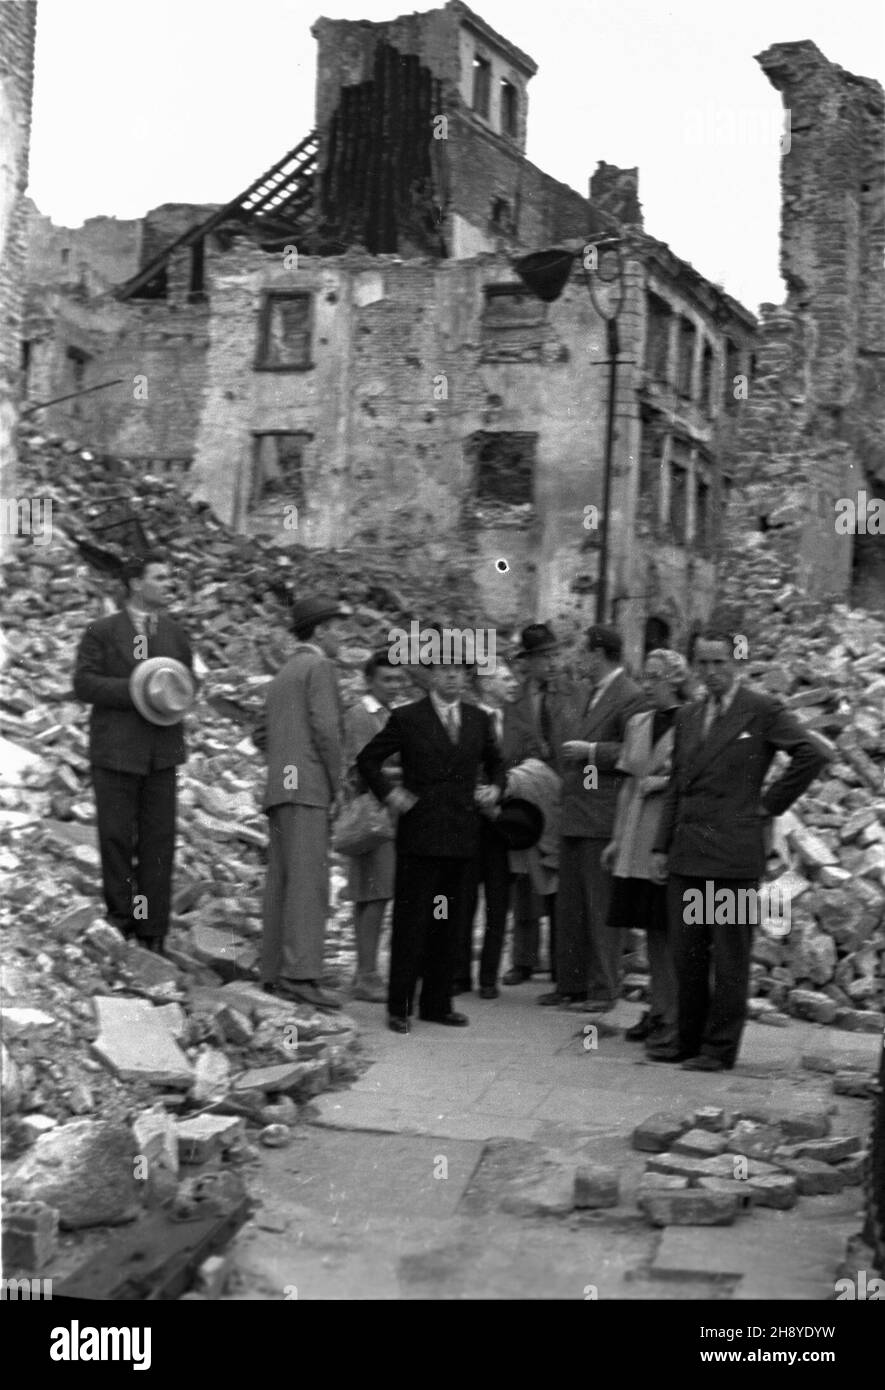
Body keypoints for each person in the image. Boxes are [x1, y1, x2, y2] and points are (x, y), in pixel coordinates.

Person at [650, 628, 831, 1070]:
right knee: (687, 953)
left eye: (720, 663)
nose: (711, 672)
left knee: (729, 957)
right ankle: (687, 1041)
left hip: (733, 855)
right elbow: (677, 784)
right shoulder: (690, 715)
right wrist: (661, 846)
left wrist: (767, 806)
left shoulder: (761, 709)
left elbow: (813, 754)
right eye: (704, 663)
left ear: (737, 663)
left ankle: (719, 1048)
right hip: (689, 852)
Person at [357, 651, 504, 1033]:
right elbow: (368, 760)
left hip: (460, 837)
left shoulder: (478, 719)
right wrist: (391, 795)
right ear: (431, 677)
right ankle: (400, 1006)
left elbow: (497, 762)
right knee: (412, 922)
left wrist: (495, 788)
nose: (452, 678)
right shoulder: (408, 717)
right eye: (444, 671)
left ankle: (437, 1004)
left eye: (459, 672)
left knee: (449, 923)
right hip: (420, 838)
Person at [73, 554, 195, 954]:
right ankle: (121, 918)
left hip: (161, 753)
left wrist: (171, 695)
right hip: (116, 751)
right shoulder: (103, 631)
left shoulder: (176, 634)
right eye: (160, 576)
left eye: (170, 576)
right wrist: (137, 690)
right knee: (116, 837)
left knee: (159, 842)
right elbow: (84, 684)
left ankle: (151, 927)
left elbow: (188, 686)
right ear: (136, 584)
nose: (169, 583)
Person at [540, 624, 646, 1010]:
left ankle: (603, 988)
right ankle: (571, 983)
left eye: (583, 652)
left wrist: (591, 751)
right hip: (576, 814)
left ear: (599, 654)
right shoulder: (594, 692)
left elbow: (636, 752)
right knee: (571, 905)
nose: (578, 660)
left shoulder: (630, 695)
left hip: (602, 816)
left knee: (600, 908)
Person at [254, 595, 346, 1011]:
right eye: (338, 628)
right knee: (309, 885)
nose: (343, 636)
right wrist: (338, 781)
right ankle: (302, 974)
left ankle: (273, 970)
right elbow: (326, 729)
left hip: (279, 789)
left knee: (282, 882)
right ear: (322, 630)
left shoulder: (284, 673)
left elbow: (263, 734)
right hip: (307, 786)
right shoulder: (319, 667)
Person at [601, 649, 690, 1057]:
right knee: (651, 929)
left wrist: (667, 781)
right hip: (637, 836)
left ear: (675, 680)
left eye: (656, 677)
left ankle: (673, 1015)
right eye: (646, 675)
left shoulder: (692, 721)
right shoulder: (638, 722)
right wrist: (617, 839)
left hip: (668, 838)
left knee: (671, 930)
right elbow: (626, 785)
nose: (648, 683)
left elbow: (696, 776)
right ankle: (658, 1008)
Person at [456, 659, 538, 998]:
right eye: (505, 678)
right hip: (469, 821)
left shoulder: (518, 724)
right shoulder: (464, 718)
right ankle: (460, 975)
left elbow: (536, 760)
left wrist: (504, 791)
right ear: (486, 684)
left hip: (505, 827)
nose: (513, 683)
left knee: (498, 902)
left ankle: (489, 978)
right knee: (462, 903)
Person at [342, 650, 401, 1002]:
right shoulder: (363, 715)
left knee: (370, 892)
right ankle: (366, 974)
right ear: (369, 681)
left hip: (379, 814)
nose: (394, 686)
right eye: (386, 680)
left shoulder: (387, 714)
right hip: (372, 813)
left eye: (398, 680)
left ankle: (365, 970)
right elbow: (363, 767)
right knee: (375, 893)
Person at [505, 622, 563, 986]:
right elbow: (508, 743)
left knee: (558, 878)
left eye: (554, 655)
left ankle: (559, 960)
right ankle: (522, 960)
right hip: (527, 794)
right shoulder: (516, 699)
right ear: (528, 662)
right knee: (523, 877)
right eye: (544, 657)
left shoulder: (571, 693)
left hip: (560, 794)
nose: (551, 663)